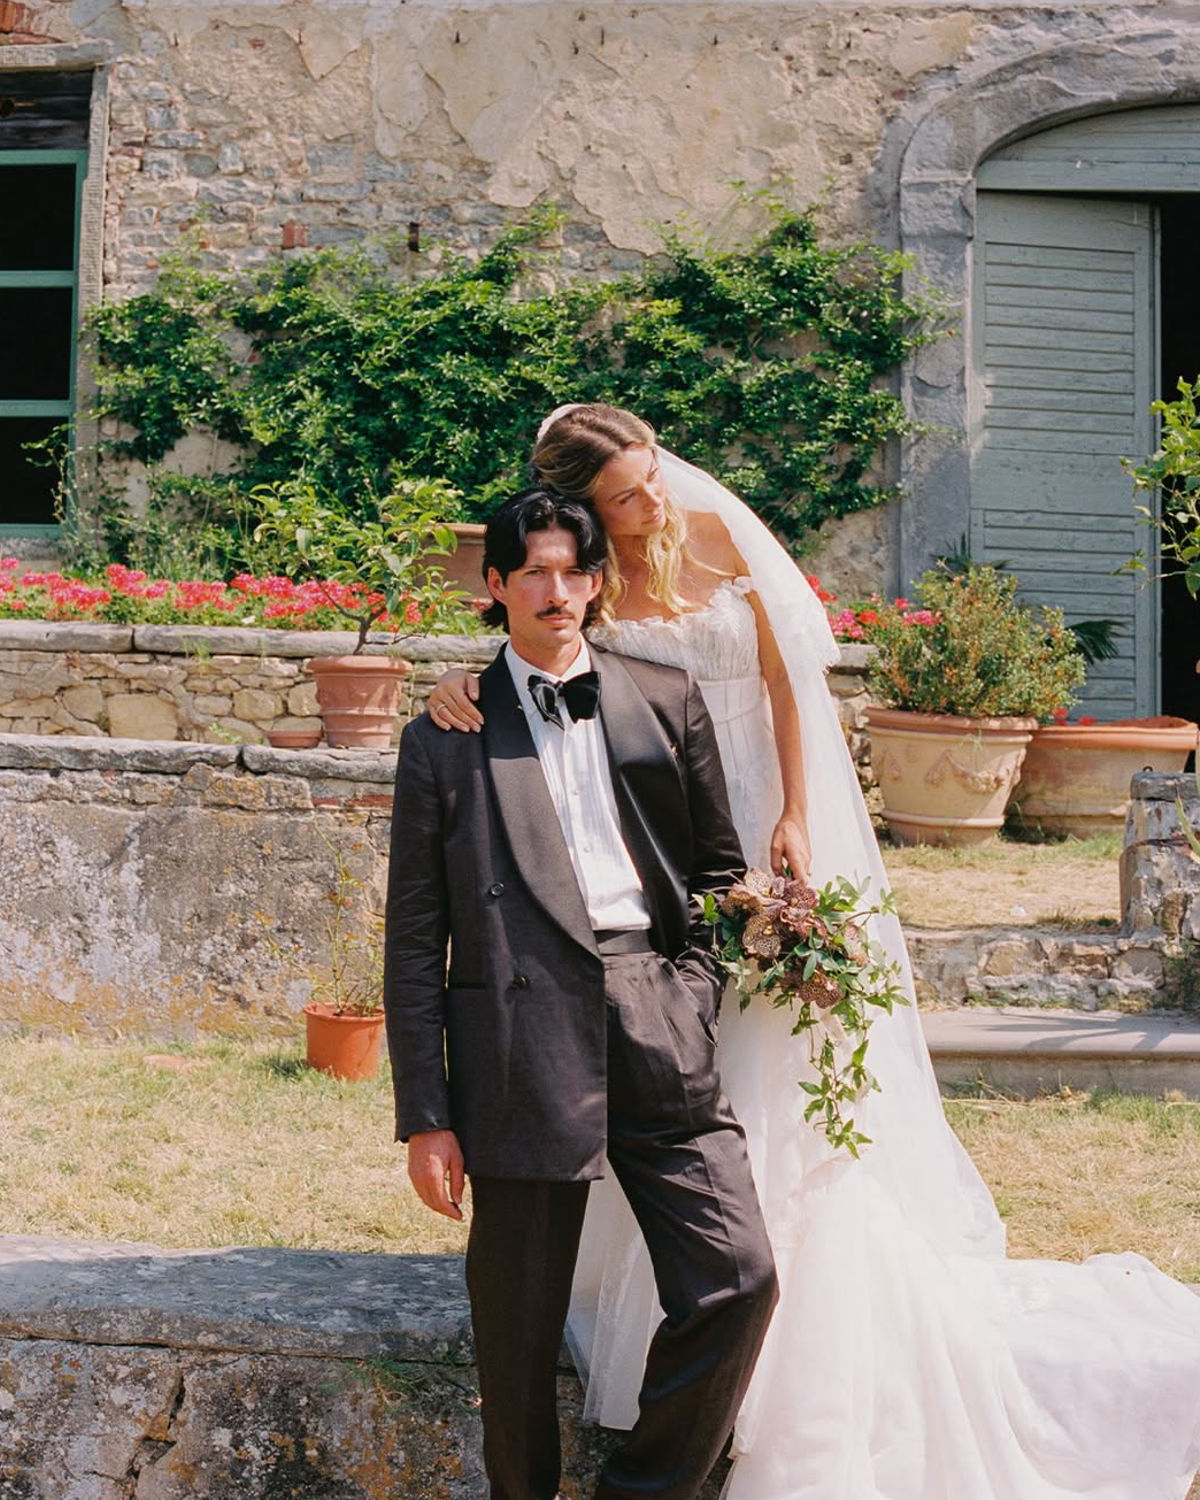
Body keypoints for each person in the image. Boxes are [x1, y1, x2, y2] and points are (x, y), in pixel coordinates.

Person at [425, 404, 1200, 1500]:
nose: (652, 502)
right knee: (663, 1064)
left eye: (652, 478)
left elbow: (790, 675)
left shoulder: (719, 538)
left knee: (782, 1062)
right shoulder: (585, 571)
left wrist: (794, 811)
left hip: (756, 800)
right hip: (657, 836)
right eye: (626, 496)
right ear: (584, 513)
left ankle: (805, 1278)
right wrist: (461, 683)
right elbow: (542, 661)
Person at [384, 485, 779, 1500]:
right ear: (497, 585)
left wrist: (692, 991)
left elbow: (716, 873)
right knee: (515, 1330)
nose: (555, 592)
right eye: (533, 574)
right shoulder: (446, 733)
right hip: (519, 1032)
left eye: (573, 571)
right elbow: (415, 937)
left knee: (738, 1279)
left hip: (653, 1007)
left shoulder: (664, 697)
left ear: (598, 582)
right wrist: (426, 1115)